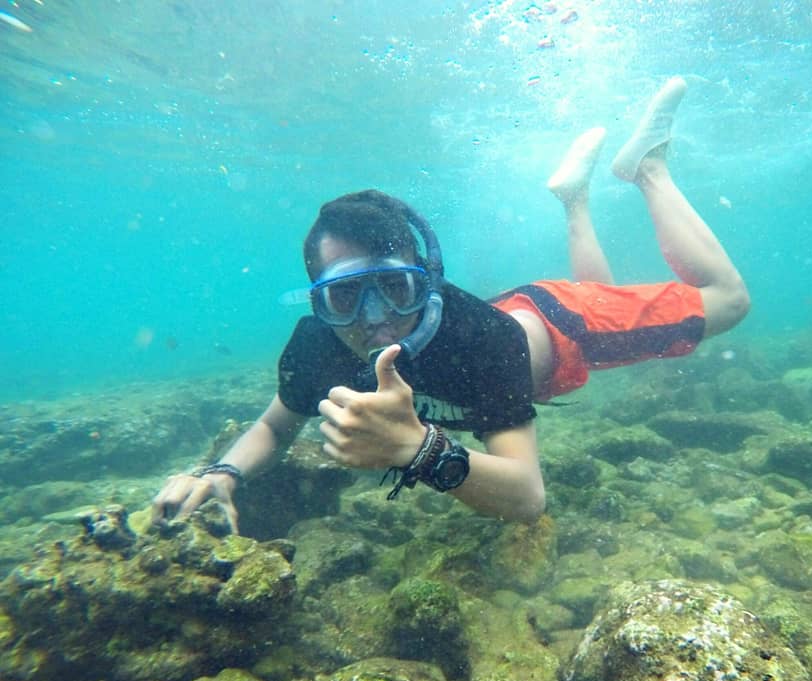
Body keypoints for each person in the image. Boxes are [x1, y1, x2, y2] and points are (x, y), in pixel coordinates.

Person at [152, 76, 750, 530]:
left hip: (565, 324)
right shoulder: (317, 347)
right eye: (343, 296)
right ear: (318, 304)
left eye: (394, 287)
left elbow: (526, 496)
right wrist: (220, 473)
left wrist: (417, 449)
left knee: (728, 302)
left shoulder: (480, 340)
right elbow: (273, 427)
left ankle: (647, 170)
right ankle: (574, 200)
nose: (375, 317)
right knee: (610, 291)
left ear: (426, 281)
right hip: (515, 319)